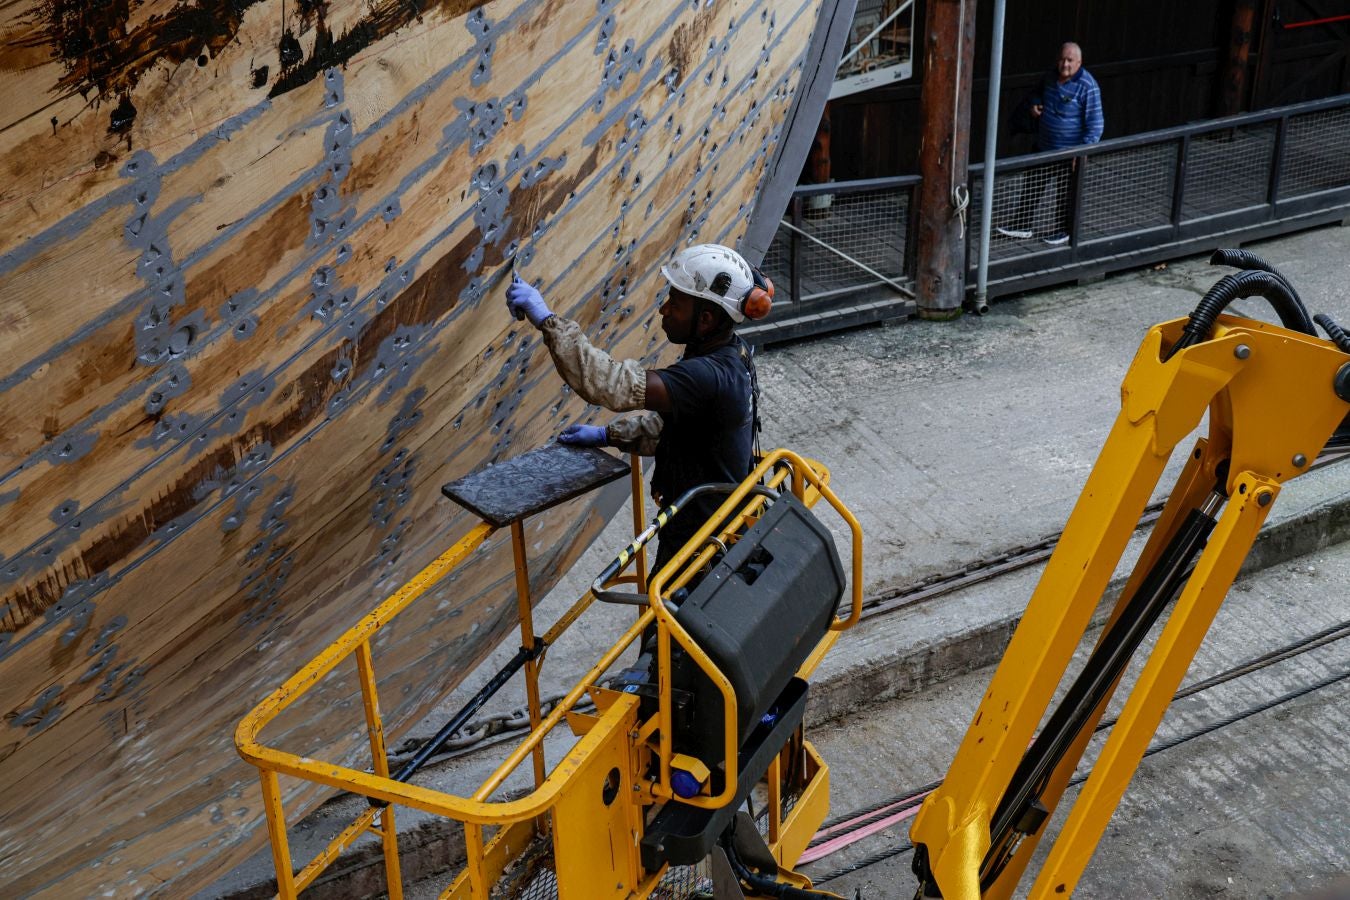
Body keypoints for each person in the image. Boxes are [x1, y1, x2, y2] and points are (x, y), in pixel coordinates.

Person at [505, 244, 772, 573]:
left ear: (705, 319)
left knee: (664, 623)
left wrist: (546, 319)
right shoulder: (732, 354)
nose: (664, 310)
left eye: (676, 301)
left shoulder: (705, 376)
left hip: (702, 551)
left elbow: (608, 384)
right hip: (722, 528)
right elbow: (684, 430)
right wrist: (609, 434)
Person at [997, 42, 1104, 246]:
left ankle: (1063, 231)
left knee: (1064, 194)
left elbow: (1096, 124)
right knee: (1032, 187)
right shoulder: (1050, 76)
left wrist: (1082, 152)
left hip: (1069, 151)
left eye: (1070, 60)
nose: (1064, 64)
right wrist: (1034, 105)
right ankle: (1022, 225)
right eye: (1062, 59)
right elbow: (1036, 92)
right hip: (1044, 146)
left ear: (1079, 62)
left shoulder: (1088, 86)